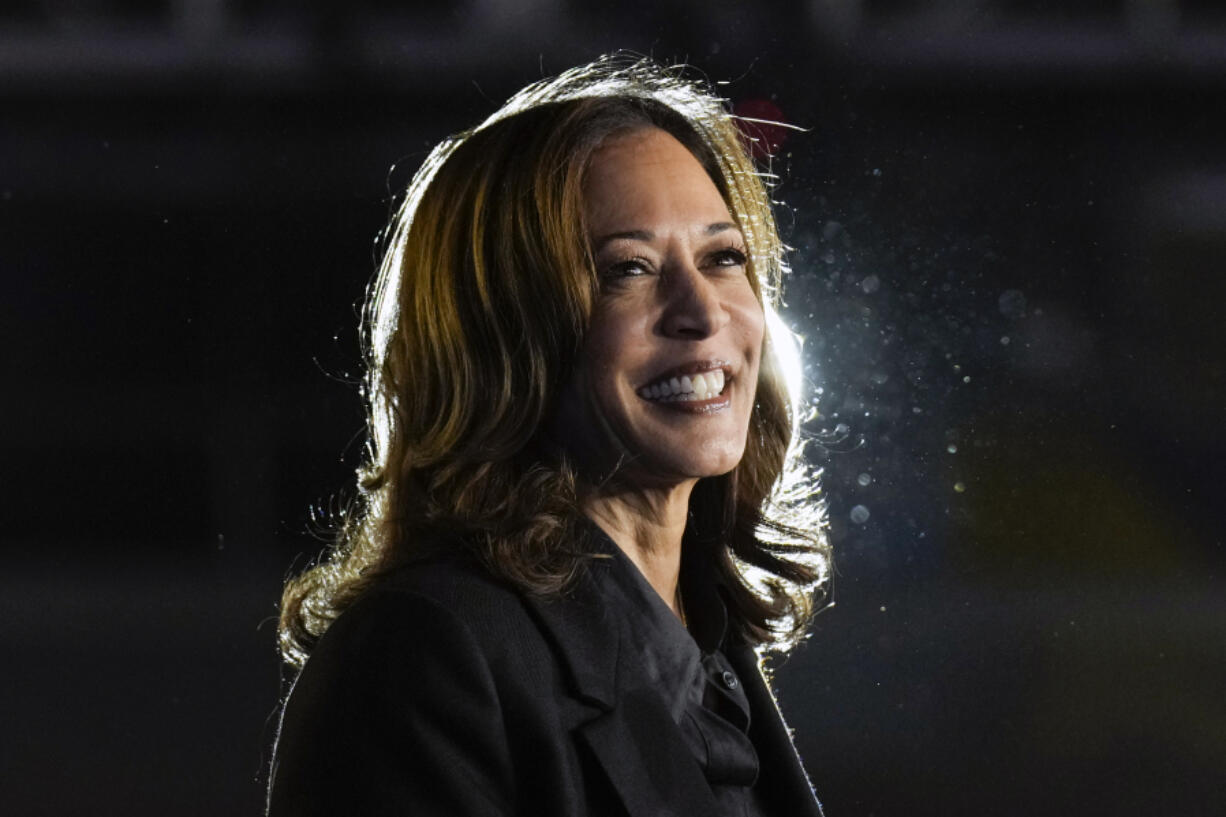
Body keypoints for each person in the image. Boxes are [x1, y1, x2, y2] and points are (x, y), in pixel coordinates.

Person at [266, 55, 829, 817]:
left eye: (723, 257)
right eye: (626, 269)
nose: (701, 311)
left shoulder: (712, 651)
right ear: (501, 336)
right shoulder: (425, 653)